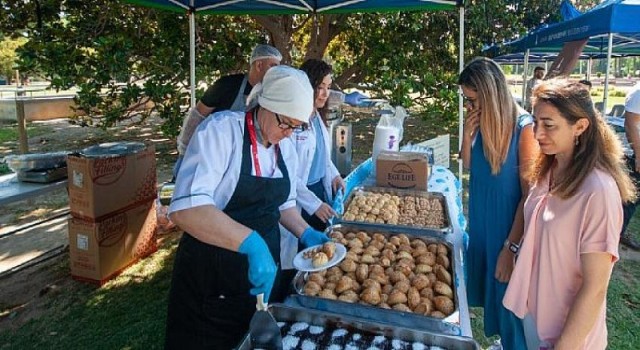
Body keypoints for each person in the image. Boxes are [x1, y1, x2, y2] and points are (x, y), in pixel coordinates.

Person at [164, 66, 330, 349]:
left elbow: (285, 205)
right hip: (212, 280)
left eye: (296, 126)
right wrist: (252, 244)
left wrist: (306, 234)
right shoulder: (220, 132)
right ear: (265, 105)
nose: (288, 133)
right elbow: (187, 209)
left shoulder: (284, 147)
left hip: (263, 278)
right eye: (285, 123)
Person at [504, 79, 636, 349]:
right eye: (536, 121)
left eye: (549, 125)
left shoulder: (598, 191)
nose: (538, 133)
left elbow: (595, 287)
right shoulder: (548, 169)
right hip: (535, 316)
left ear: (580, 126)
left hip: (566, 333)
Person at [459, 57, 538, 350]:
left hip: (506, 232)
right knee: (493, 296)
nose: (469, 108)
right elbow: (468, 165)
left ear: (490, 95)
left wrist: (511, 248)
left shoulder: (524, 129)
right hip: (483, 225)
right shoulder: (483, 123)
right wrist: (467, 135)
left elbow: (529, 197)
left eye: (472, 100)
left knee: (511, 306)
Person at [279, 59, 346, 272]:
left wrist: (334, 175)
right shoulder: (292, 121)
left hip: (319, 190)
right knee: (301, 254)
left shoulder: (317, 116)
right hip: (299, 196)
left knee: (320, 254)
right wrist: (313, 204)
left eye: (327, 87)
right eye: (319, 87)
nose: (324, 93)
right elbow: (287, 174)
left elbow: (322, 157)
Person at [175, 44, 282, 167]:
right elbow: (197, 117)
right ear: (259, 65)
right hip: (210, 153)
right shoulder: (227, 85)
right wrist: (186, 152)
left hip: (241, 159)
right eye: (273, 66)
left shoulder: (268, 94)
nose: (276, 72)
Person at [620, 83, 640, 250]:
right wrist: (639, 155)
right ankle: (617, 233)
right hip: (636, 156)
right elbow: (630, 124)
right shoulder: (638, 92)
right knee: (630, 199)